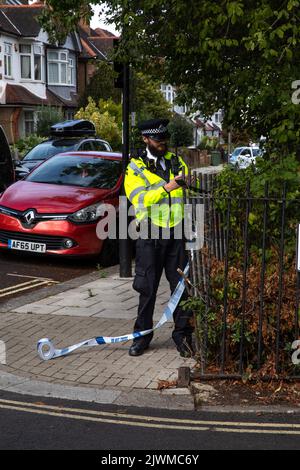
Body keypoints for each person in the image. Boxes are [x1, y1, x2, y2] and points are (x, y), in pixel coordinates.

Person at [124, 118, 194, 357]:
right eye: (157, 140)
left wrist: (184, 182)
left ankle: (183, 337)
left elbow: (187, 179)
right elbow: (139, 199)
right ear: (146, 139)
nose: (162, 144)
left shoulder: (176, 161)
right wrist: (167, 187)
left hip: (176, 231)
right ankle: (141, 337)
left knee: (181, 288)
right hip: (151, 232)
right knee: (147, 288)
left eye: (165, 140)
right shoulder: (134, 167)